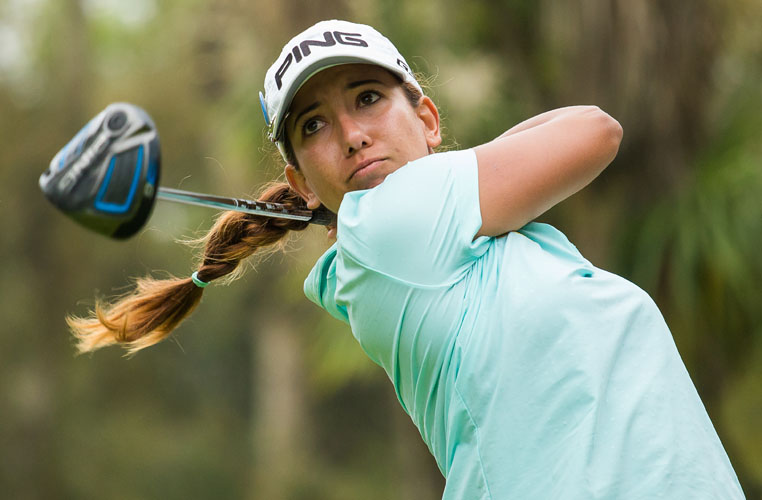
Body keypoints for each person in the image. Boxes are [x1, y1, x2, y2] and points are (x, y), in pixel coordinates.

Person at [70, 20, 745, 499]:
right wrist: (442, 155)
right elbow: (595, 130)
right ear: (300, 181)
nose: (354, 135)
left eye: (367, 98)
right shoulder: (393, 224)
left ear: (426, 115)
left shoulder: (435, 239)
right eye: (314, 126)